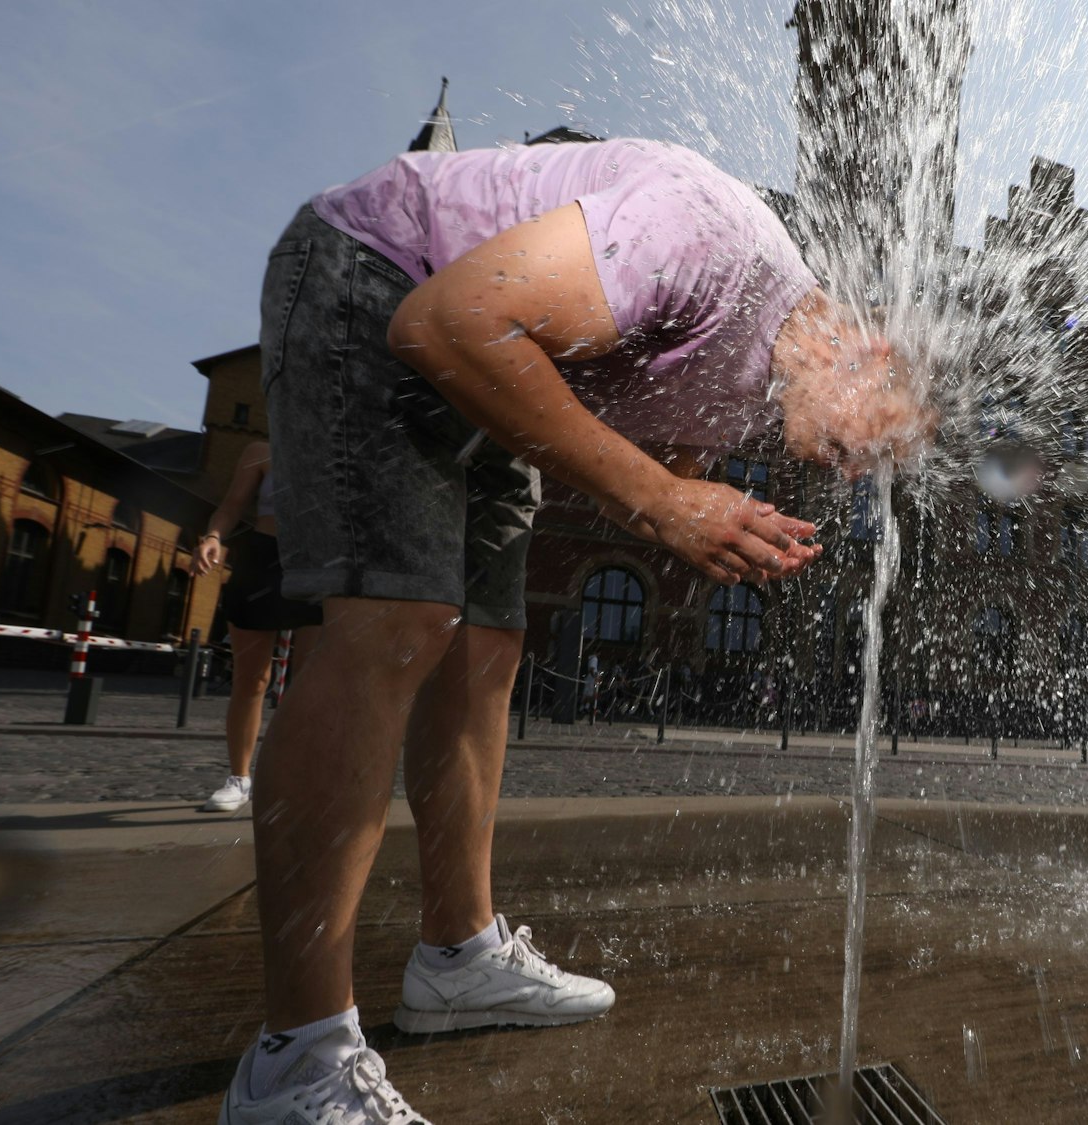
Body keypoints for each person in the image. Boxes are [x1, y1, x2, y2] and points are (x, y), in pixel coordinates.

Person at [221, 136, 932, 1124]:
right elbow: (451, 321)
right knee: (397, 622)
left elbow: (638, 466)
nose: (859, 470)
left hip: (486, 366)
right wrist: (665, 504)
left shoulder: (757, 397)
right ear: (874, 354)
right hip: (377, 275)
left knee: (484, 648)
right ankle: (294, 1063)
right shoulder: (712, 239)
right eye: (880, 440)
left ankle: (458, 957)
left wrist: (697, 513)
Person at [192, 440, 322, 814]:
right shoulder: (262, 451)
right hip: (262, 560)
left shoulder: (341, 444)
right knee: (251, 679)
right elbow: (231, 506)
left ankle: (295, 776)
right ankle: (239, 778)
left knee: (309, 684)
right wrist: (213, 537)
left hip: (316, 565)